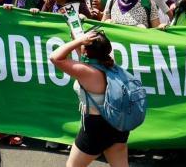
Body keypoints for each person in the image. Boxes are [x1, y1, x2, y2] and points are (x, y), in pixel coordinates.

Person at [49, 29, 129, 167]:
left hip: (97, 127)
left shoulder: (86, 72)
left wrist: (78, 41)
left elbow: (54, 57)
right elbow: (86, 59)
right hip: (119, 123)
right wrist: (80, 42)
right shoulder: (110, 62)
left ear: (86, 51)